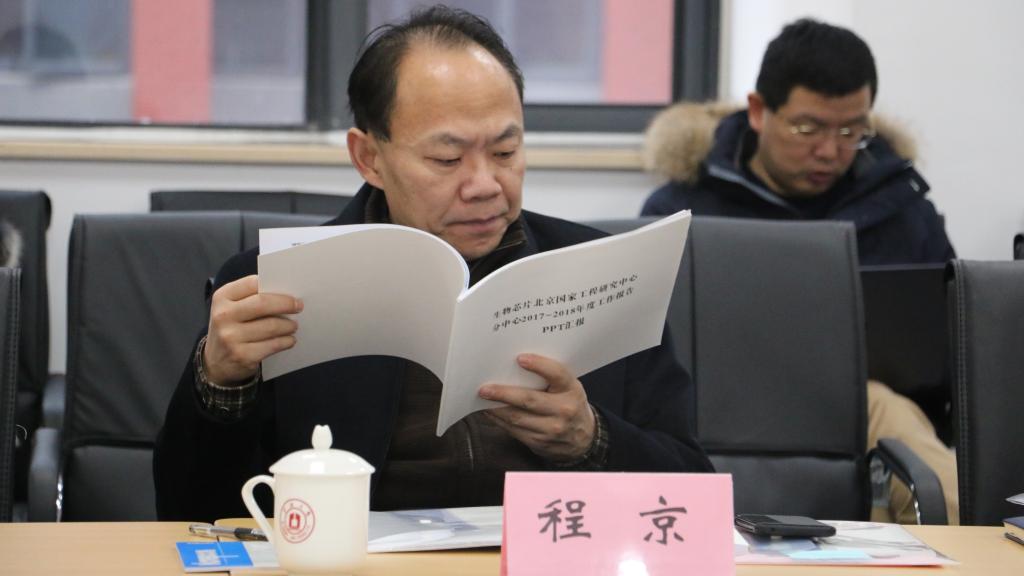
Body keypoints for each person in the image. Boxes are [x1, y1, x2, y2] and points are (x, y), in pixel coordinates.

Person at [154, 5, 712, 522]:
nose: (484, 184)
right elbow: (189, 513)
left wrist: (591, 440)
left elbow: (694, 497)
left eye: (506, 151)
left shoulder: (606, 272)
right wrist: (218, 383)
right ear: (369, 157)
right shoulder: (272, 286)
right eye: (447, 158)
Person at [641, 19, 958, 524]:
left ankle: (967, 548)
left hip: (862, 400)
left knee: (931, 469)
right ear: (759, 111)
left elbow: (951, 342)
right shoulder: (680, 207)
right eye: (807, 129)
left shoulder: (902, 210)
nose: (829, 151)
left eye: (851, 132)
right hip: (715, 396)